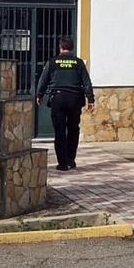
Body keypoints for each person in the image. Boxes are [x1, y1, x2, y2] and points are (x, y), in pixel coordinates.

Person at [35, 36, 94, 171]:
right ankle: (71, 160)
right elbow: (86, 82)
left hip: (58, 99)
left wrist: (39, 95)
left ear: (60, 48)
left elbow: (43, 80)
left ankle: (62, 164)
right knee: (73, 130)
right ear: (72, 48)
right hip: (75, 99)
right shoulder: (78, 63)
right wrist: (90, 99)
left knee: (59, 131)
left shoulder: (52, 62)